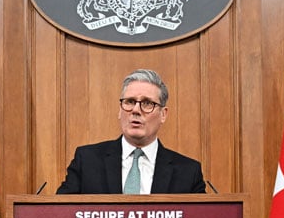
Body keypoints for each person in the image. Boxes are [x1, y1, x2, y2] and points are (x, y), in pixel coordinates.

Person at [56, 69, 206, 194]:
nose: (135, 110)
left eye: (147, 103)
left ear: (163, 114)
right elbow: (60, 214)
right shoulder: (87, 161)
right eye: (130, 102)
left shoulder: (188, 172)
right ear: (120, 110)